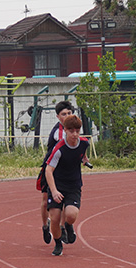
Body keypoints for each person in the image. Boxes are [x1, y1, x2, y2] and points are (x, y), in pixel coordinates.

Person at [38, 101, 91, 244]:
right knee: (45, 199)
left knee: (67, 207)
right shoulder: (58, 134)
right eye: (63, 114)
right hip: (52, 168)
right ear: (58, 116)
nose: (67, 116)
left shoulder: (75, 131)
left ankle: (63, 227)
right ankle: (45, 225)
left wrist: (84, 158)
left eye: (69, 113)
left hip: (68, 173)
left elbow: (82, 144)